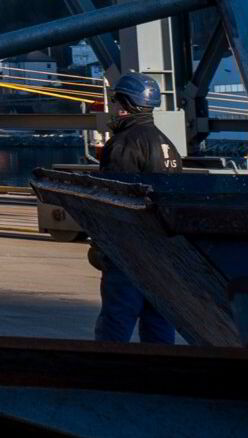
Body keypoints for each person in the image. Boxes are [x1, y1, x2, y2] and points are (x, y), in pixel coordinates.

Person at [93, 72, 179, 344]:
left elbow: (113, 200)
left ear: (125, 104)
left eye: (115, 101)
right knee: (159, 323)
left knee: (116, 323)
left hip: (130, 251)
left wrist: (102, 243)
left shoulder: (123, 144)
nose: (112, 108)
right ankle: (156, 379)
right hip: (164, 252)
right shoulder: (167, 144)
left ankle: (107, 381)